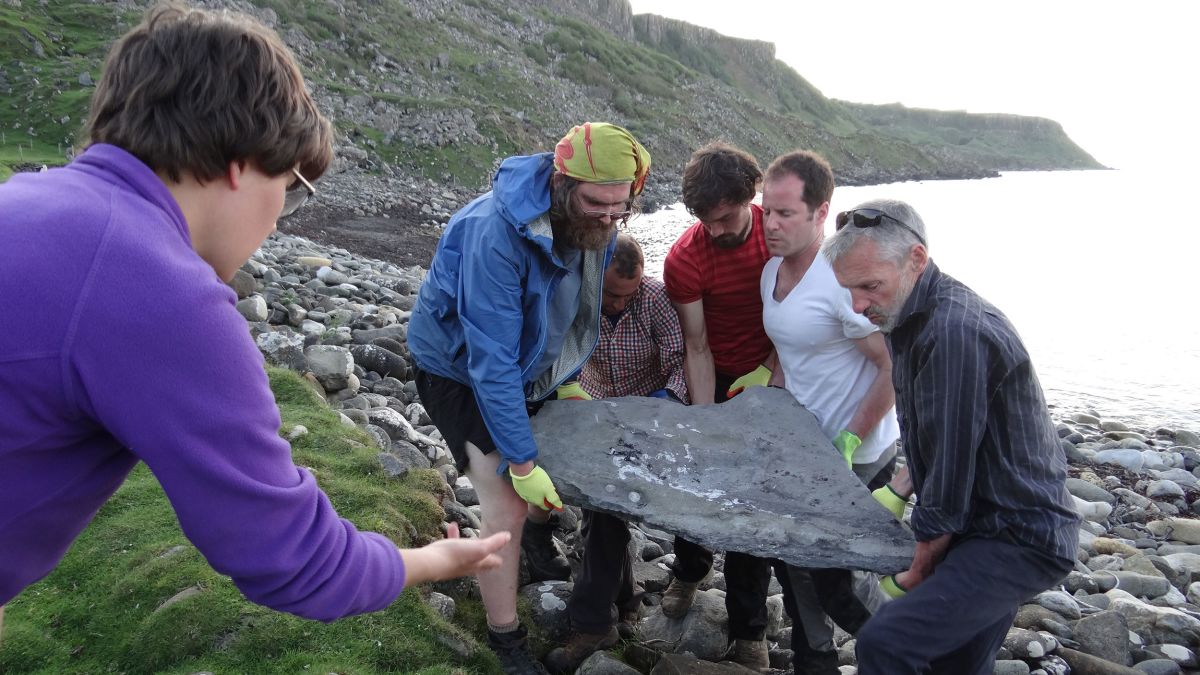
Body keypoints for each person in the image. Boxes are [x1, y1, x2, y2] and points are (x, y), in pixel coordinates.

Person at [0, 2, 507, 637]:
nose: (274, 225)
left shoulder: (26, 198)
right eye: (292, 189)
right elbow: (296, 560)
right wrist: (431, 560)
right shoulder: (159, 290)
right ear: (242, 162)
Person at [406, 122, 651, 674]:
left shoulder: (599, 220)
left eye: (621, 208)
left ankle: (540, 548)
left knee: (560, 467)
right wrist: (518, 458)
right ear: (563, 184)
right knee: (506, 498)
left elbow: (577, 308)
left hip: (528, 367)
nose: (609, 220)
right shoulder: (493, 235)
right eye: (597, 205)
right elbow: (489, 358)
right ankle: (506, 640)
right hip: (457, 369)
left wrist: (565, 376)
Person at [823, 199, 1081, 675]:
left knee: (886, 644)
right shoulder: (907, 317)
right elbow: (930, 435)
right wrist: (896, 490)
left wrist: (918, 571)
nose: (858, 306)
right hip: (981, 522)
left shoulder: (954, 333)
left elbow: (949, 471)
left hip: (1017, 534)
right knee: (956, 662)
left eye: (869, 287)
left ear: (916, 259)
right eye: (849, 291)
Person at [758, 151, 901, 674]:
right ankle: (814, 659)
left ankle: (911, 651)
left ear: (821, 212)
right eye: (766, 211)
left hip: (854, 455)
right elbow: (792, 359)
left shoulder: (840, 279)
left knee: (839, 577)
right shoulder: (771, 271)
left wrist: (849, 440)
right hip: (803, 449)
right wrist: (768, 408)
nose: (771, 224)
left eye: (785, 214)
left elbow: (890, 367)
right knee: (794, 561)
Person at [544, 232, 688, 673]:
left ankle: (601, 615)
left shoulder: (656, 301)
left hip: (648, 417)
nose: (618, 305)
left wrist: (665, 403)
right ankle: (614, 608)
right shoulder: (576, 294)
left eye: (628, 296)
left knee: (606, 517)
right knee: (601, 514)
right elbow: (555, 349)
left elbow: (680, 361)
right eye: (610, 296)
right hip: (592, 409)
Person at [661, 142, 776, 670]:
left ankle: (750, 626)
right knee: (698, 477)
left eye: (727, 217)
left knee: (752, 504)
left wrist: (769, 379)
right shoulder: (686, 258)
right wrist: (705, 422)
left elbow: (801, 324)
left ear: (750, 196)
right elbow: (697, 346)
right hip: (716, 371)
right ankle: (688, 569)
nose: (718, 229)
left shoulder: (781, 241)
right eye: (706, 220)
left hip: (774, 374)